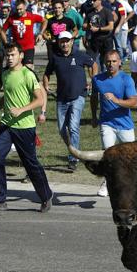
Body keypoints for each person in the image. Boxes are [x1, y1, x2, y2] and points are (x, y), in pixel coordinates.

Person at [0, 43, 53, 212]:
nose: (9, 58)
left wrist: (21, 110)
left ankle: (46, 195)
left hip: (25, 127)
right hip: (7, 125)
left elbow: (39, 100)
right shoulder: (4, 74)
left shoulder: (28, 74)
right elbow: (6, 98)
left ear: (21, 56)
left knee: (30, 163)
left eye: (13, 54)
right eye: (7, 55)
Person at [42, 31, 98, 172]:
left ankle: (73, 159)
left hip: (78, 96)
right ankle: (72, 149)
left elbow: (94, 65)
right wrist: (46, 84)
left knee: (73, 127)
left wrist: (93, 80)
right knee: (62, 129)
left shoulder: (79, 55)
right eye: (62, 41)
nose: (65, 44)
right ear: (59, 43)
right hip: (61, 98)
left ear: (72, 41)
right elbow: (47, 73)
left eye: (67, 41)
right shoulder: (55, 58)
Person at [90, 50, 137, 197]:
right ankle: (107, 182)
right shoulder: (97, 79)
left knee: (131, 157)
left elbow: (134, 103)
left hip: (125, 124)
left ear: (120, 63)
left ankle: (134, 184)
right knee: (109, 153)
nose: (111, 64)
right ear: (105, 63)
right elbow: (94, 98)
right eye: (108, 61)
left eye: (114, 61)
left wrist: (116, 100)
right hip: (107, 123)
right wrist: (93, 116)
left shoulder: (126, 79)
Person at [2, 1, 45, 69]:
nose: (19, 11)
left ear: (25, 7)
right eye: (17, 9)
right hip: (16, 48)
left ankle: (33, 79)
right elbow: (2, 31)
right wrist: (6, 43)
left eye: (20, 9)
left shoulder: (31, 16)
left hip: (29, 47)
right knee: (15, 68)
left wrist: (41, 33)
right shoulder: (12, 18)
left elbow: (44, 21)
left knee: (28, 68)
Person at [83, 0, 115, 71]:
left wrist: (98, 29)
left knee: (106, 63)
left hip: (106, 40)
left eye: (94, 0)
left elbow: (111, 26)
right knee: (90, 63)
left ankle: (105, 80)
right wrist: (88, 26)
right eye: (91, 0)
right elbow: (83, 26)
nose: (92, 2)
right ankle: (94, 81)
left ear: (100, 1)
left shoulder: (107, 12)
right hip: (94, 41)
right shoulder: (90, 12)